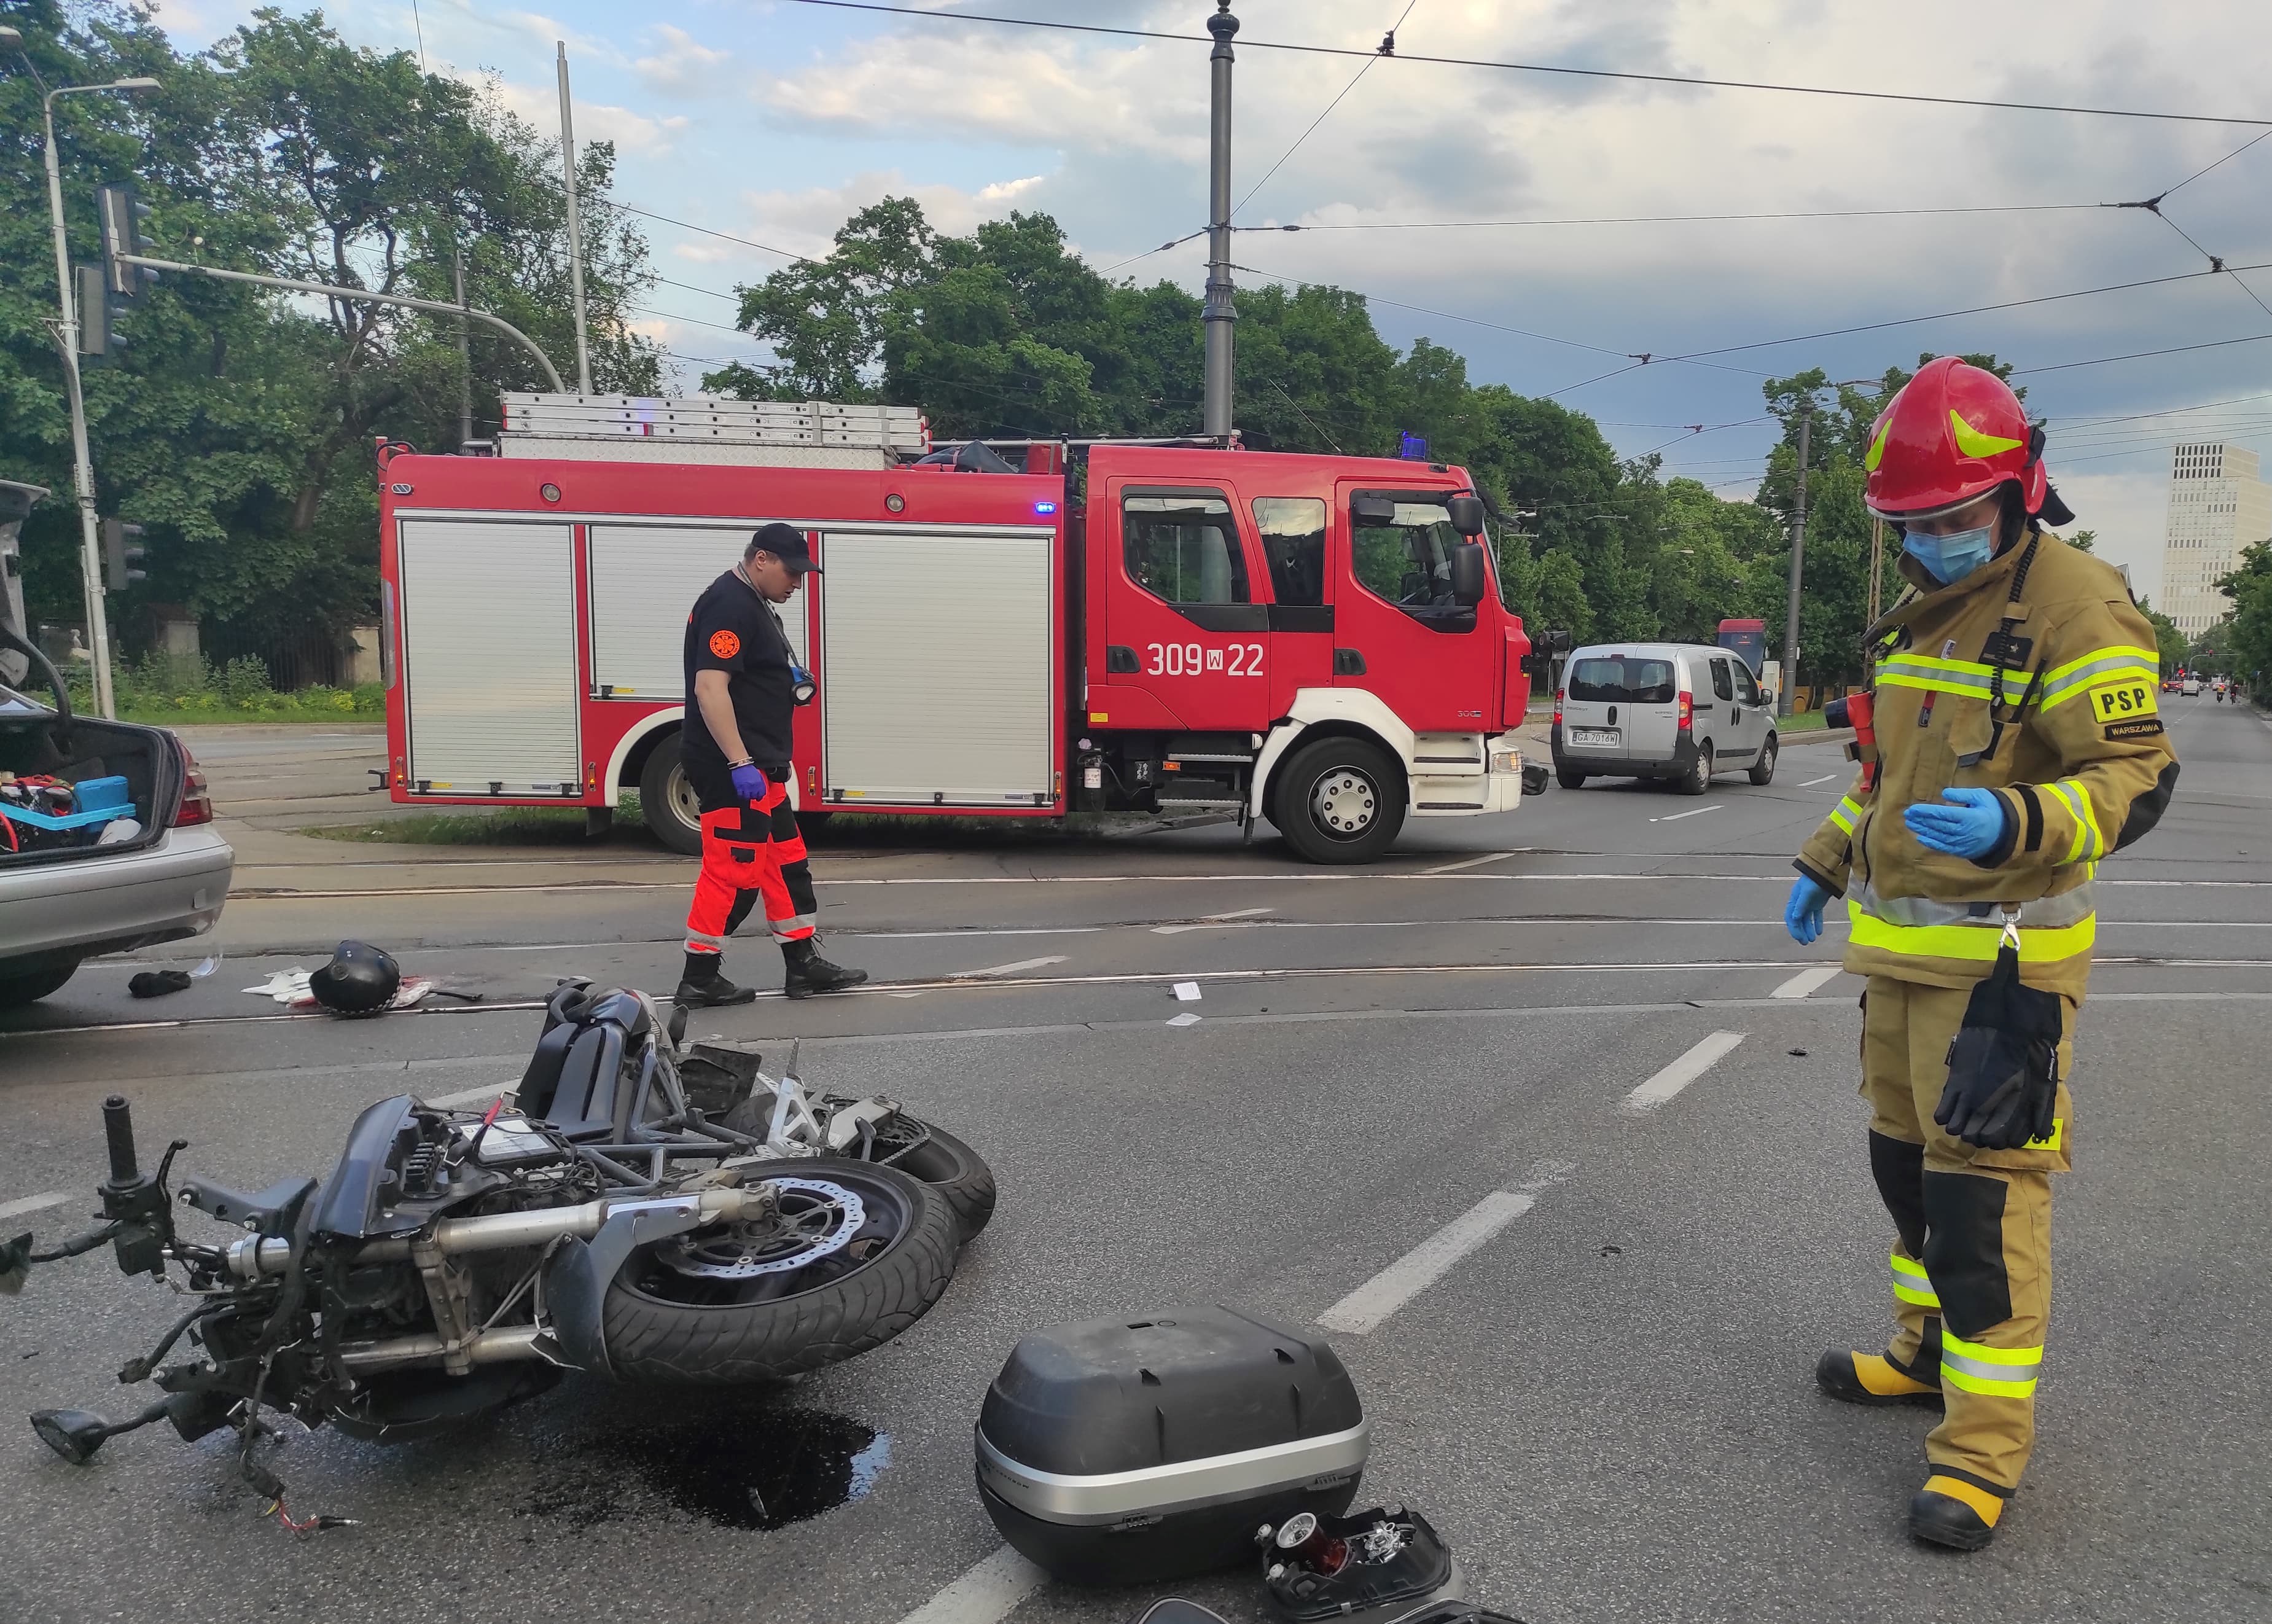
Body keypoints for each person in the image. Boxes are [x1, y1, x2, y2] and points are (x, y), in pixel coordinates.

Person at [1783, 357, 2180, 1551]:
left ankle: (1978, 1452)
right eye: (1909, 523)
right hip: (1900, 961)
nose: (1929, 540)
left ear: (2017, 495)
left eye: (1951, 517)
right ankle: (1919, 1352)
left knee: (1979, 1206)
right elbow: (1886, 777)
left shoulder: (2074, 601)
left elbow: (2135, 773)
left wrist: (2023, 819)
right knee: (1904, 1170)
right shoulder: (1921, 607)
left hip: (2004, 970)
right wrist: (1825, 856)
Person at [675, 522, 867, 1006]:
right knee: (733, 870)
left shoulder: (752, 601)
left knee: (785, 862)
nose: (797, 583)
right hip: (734, 767)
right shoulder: (730, 604)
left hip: (762, 763)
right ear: (761, 559)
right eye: (792, 572)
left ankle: (802, 965)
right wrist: (739, 762)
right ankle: (699, 977)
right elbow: (709, 688)